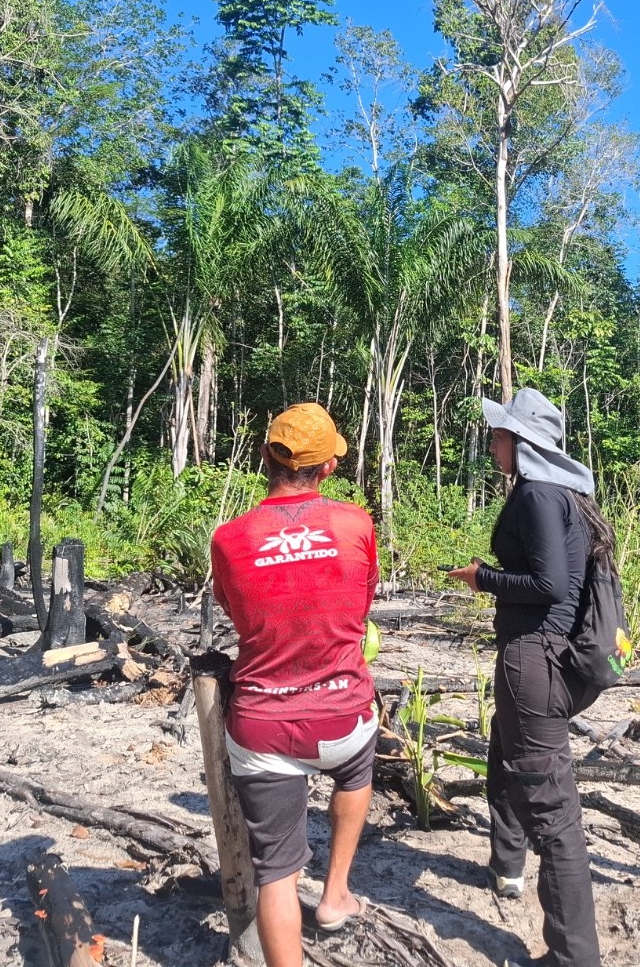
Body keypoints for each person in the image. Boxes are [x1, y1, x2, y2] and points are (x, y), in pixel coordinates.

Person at [209, 402, 379, 967]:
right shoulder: (355, 523)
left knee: (276, 873)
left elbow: (233, 608)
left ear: (265, 458)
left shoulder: (229, 538)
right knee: (357, 767)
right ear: (328, 468)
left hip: (263, 725)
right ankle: (335, 895)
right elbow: (358, 605)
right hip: (342, 718)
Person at [447, 387, 609, 967]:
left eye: (499, 434)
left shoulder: (539, 495)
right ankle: (507, 862)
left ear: (523, 443)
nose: (492, 442)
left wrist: (482, 578)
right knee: (504, 754)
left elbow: (550, 587)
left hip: (535, 658)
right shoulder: (563, 494)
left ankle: (573, 955)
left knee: (556, 811)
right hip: (540, 658)